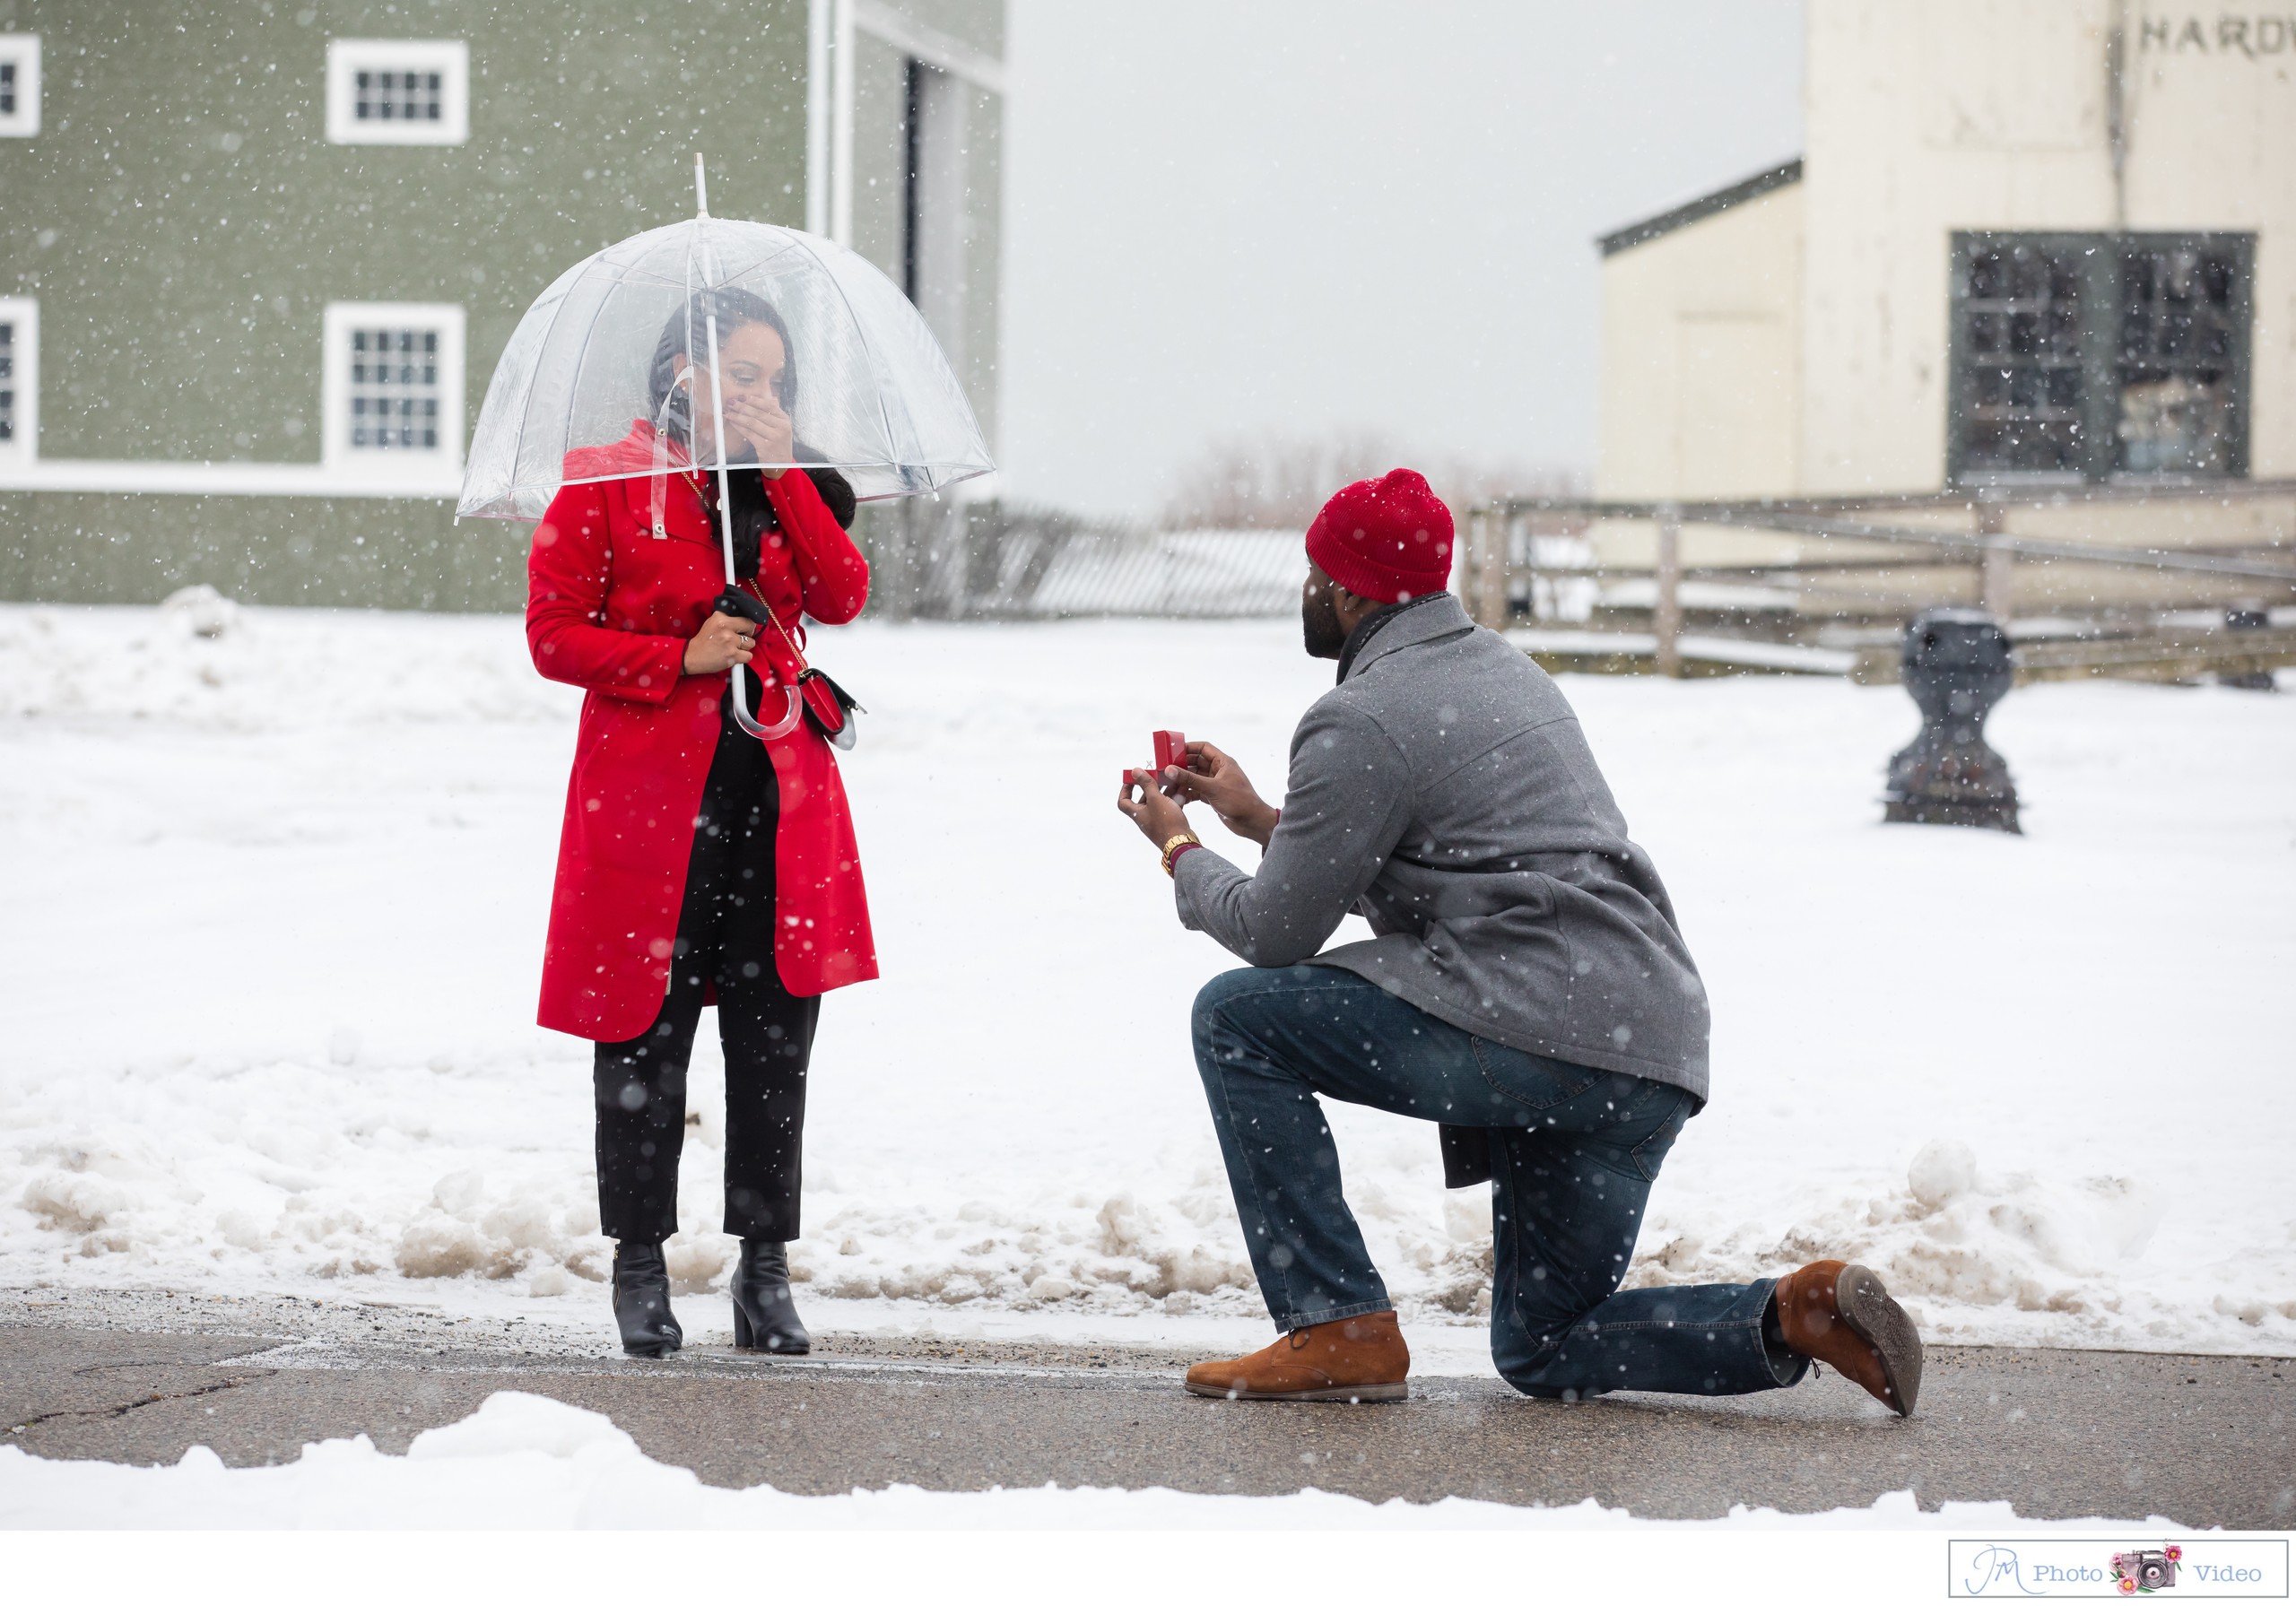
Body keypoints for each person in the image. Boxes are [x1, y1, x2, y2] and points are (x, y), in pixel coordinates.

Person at [1117, 468, 1923, 1414]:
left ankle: (1338, 1326)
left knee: (1237, 1021)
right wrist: (1259, 817)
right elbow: (1450, 860)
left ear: (1348, 590)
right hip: (1642, 1043)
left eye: (1313, 571)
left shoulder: (1358, 715)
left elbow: (1273, 929)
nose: (1306, 590)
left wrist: (1179, 851)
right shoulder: (1505, 672)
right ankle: (1789, 1315)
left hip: (1531, 1028)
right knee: (1543, 1342)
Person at [526, 289, 875, 1359]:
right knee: (642, 1039)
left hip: (778, 803)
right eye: (743, 377)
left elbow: (844, 592)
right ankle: (639, 1265)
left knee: (775, 1041)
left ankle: (764, 1271)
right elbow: (552, 636)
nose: (764, 397)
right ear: (681, 373)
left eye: (776, 382)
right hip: (645, 815)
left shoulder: (783, 482)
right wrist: (674, 657)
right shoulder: (606, 484)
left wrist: (776, 474)